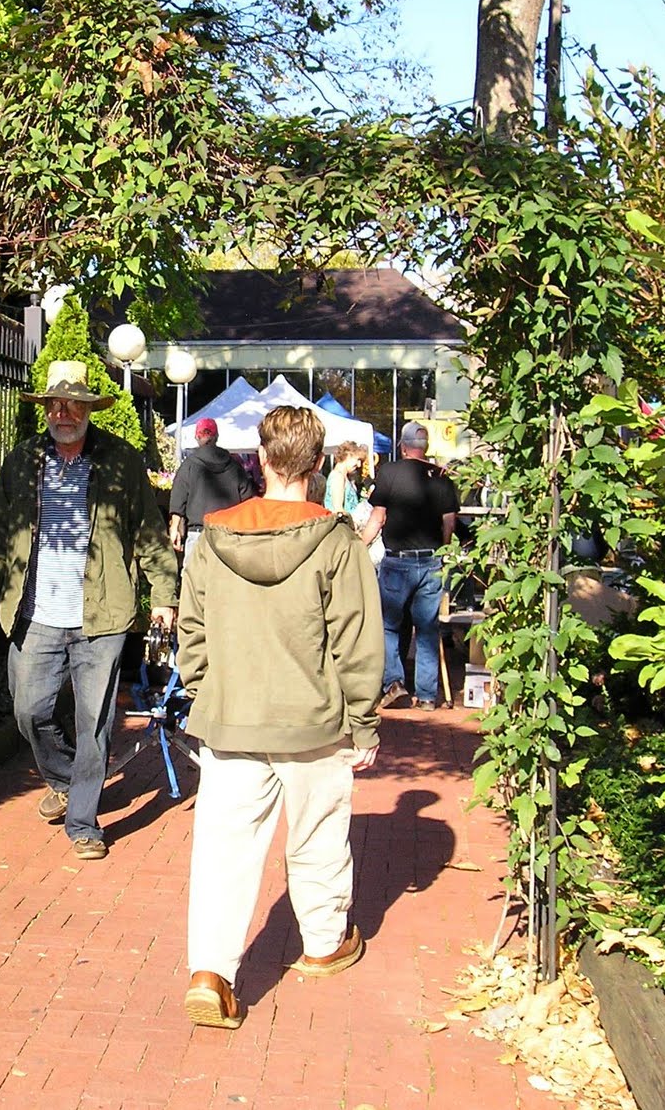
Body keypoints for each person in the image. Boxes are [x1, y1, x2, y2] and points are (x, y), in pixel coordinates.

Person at [176, 406, 384, 1029]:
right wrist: (364, 722)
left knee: (224, 850)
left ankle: (211, 972)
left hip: (233, 717)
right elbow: (357, 641)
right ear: (318, 464)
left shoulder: (213, 538)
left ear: (260, 459)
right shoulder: (336, 540)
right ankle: (322, 942)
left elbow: (193, 632)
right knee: (319, 835)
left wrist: (207, 693)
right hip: (314, 721)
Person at [0, 360, 178, 862]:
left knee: (95, 721)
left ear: (87, 408)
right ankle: (64, 779)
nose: (64, 412)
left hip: (101, 616)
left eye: (74, 403)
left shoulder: (120, 461)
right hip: (35, 611)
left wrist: (165, 596)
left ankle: (83, 821)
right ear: (45, 409)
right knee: (29, 711)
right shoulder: (22, 462)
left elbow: (149, 531)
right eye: (56, 404)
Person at [368, 421, 459, 711]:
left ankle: (394, 683)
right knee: (428, 629)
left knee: (388, 626)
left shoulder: (390, 472)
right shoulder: (441, 476)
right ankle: (427, 696)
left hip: (398, 561)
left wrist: (359, 544)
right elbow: (449, 521)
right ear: (426, 448)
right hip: (432, 560)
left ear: (403, 447)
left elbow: (378, 517)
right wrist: (442, 550)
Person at [168, 417, 256, 559]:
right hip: (227, 535)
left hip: (198, 534)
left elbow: (178, 498)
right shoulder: (234, 466)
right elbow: (247, 500)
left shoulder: (189, 465)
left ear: (197, 437)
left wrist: (174, 528)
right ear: (217, 437)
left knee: (193, 580)